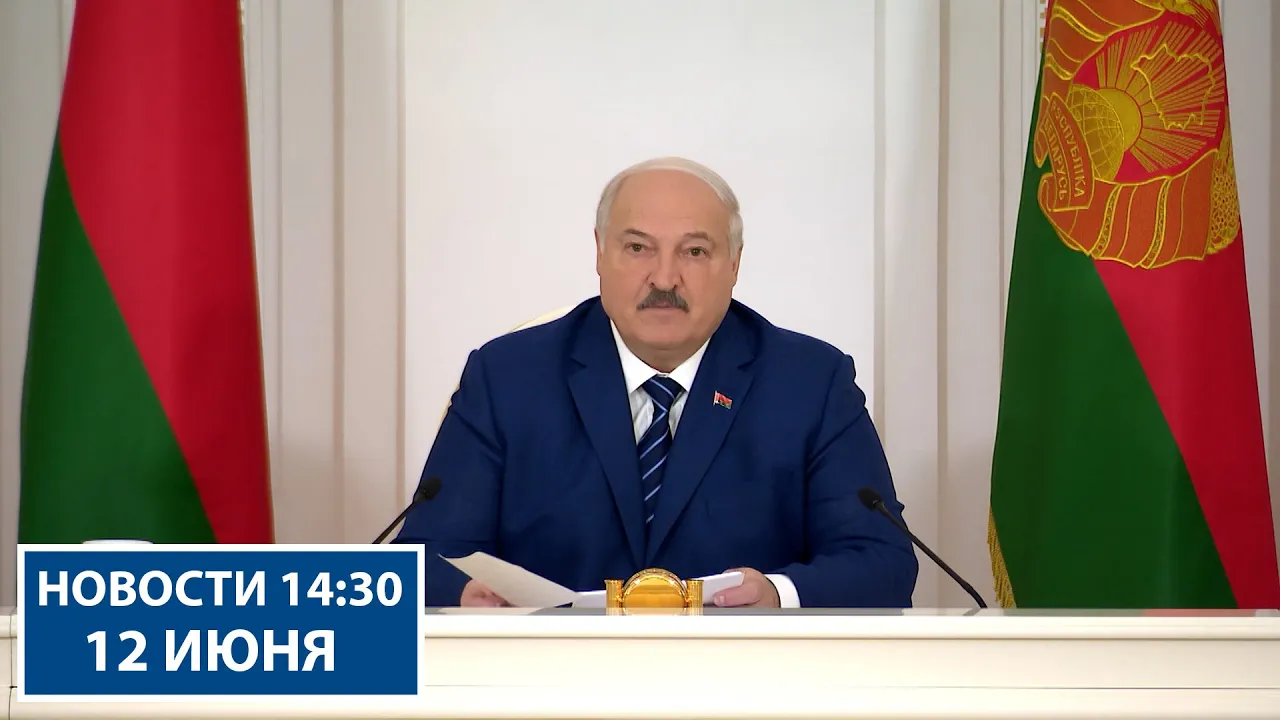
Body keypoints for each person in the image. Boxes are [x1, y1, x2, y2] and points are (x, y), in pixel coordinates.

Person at [395, 157, 918, 608]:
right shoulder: (507, 377)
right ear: (600, 253)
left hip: (747, 675)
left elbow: (882, 561)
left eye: (695, 251)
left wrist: (777, 594)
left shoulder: (809, 382)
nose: (665, 279)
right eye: (638, 248)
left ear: (735, 263)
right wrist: (468, 593)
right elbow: (425, 558)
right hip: (548, 674)